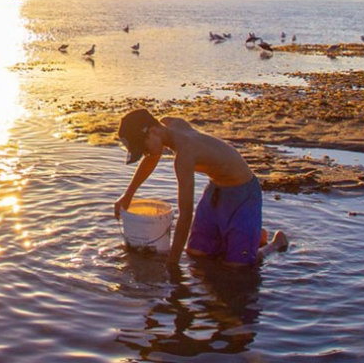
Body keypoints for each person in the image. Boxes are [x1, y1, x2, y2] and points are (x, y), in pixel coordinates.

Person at [113, 108, 287, 267]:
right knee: (197, 253)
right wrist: (128, 195)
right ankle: (250, 236)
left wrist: (172, 265)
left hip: (244, 194)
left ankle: (273, 244)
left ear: (153, 131)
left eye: (143, 148)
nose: (145, 153)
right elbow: (153, 156)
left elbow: (186, 215)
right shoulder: (171, 123)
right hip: (216, 190)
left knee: (238, 266)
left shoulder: (184, 156)